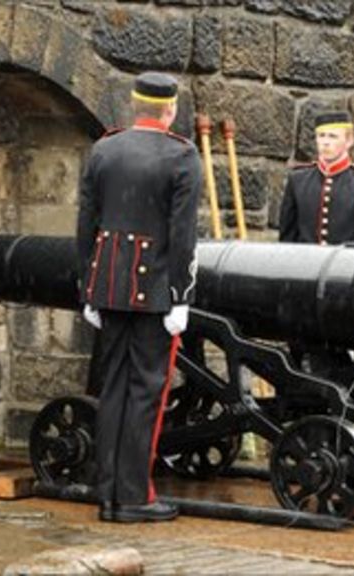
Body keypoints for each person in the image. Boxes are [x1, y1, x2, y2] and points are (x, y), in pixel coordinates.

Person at [76, 72, 202, 524]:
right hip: (153, 294)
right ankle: (133, 497)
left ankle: (106, 493)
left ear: (135, 107)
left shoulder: (104, 149)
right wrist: (181, 297)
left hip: (108, 286)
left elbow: (86, 223)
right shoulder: (182, 157)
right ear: (169, 110)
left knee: (112, 390)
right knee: (146, 393)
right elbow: (183, 236)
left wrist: (87, 288)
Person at [278, 110, 354, 382]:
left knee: (340, 358)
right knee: (301, 353)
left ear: (349, 141)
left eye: (332, 136)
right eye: (320, 136)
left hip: (344, 287)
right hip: (304, 284)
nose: (324, 142)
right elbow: (286, 240)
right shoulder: (298, 180)